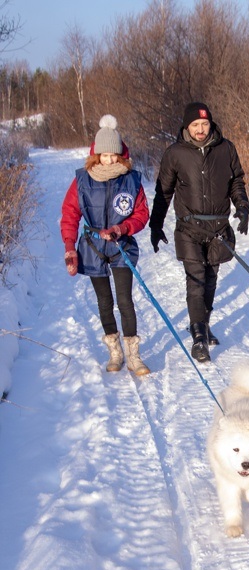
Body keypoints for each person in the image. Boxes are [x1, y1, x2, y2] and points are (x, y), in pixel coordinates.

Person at [149, 101, 249, 363]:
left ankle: (203, 324)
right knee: (195, 280)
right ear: (187, 126)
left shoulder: (226, 149)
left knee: (211, 279)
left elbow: (236, 180)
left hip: (218, 226)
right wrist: (155, 224)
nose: (200, 129)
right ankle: (198, 337)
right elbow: (164, 192)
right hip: (189, 228)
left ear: (211, 124)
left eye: (204, 124)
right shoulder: (175, 153)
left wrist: (242, 206)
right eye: (195, 125)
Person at [60, 114, 151, 376]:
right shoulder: (82, 180)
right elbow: (69, 215)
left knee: (125, 300)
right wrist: (69, 247)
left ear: (121, 154)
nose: (109, 160)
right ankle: (115, 351)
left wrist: (123, 228)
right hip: (93, 246)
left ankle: (134, 355)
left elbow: (141, 214)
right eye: (104, 155)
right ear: (96, 154)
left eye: (114, 155)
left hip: (121, 245)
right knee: (104, 301)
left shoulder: (131, 179)